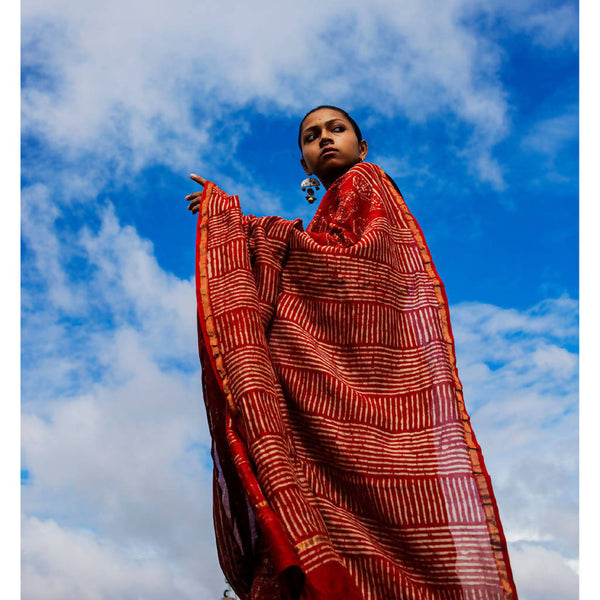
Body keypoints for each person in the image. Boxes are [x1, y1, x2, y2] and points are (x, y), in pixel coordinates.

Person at [187, 107, 518, 600]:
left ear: (362, 148)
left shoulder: (367, 181)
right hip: (335, 388)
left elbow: (355, 267)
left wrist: (239, 224)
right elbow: (324, 258)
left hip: (368, 382)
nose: (324, 139)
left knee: (339, 517)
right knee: (339, 517)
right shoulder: (332, 205)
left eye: (336, 130)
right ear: (303, 164)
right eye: (311, 136)